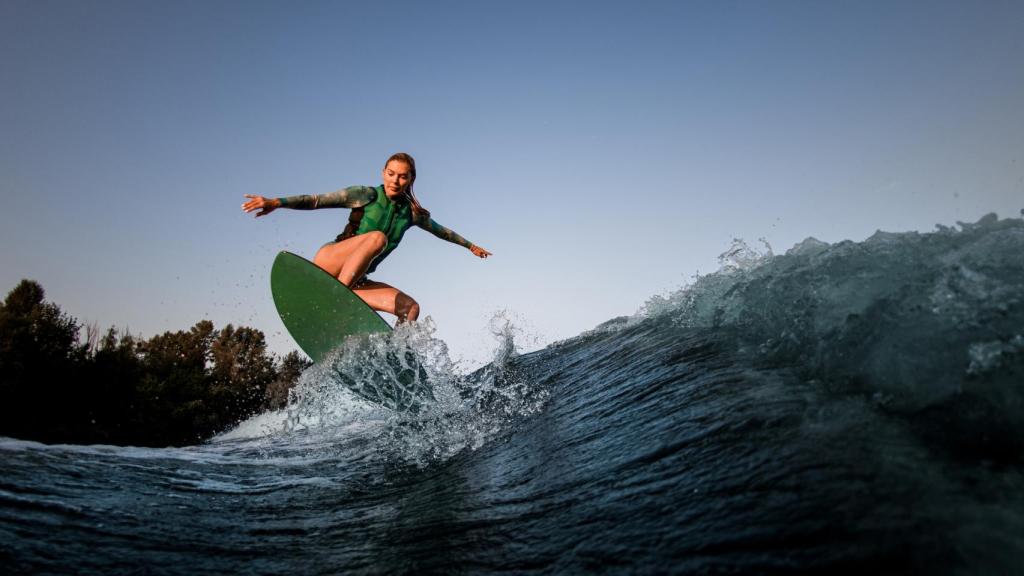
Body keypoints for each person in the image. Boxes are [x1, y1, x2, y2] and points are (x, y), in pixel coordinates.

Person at [242, 153, 491, 322]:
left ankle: (394, 358)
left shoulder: (412, 214)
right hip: (331, 263)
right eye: (391, 173)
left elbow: (441, 231)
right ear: (383, 173)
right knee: (377, 238)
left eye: (403, 176)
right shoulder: (365, 194)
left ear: (411, 179)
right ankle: (337, 295)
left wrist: (470, 246)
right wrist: (276, 202)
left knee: (410, 309)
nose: (396, 180)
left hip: (355, 281)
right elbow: (316, 200)